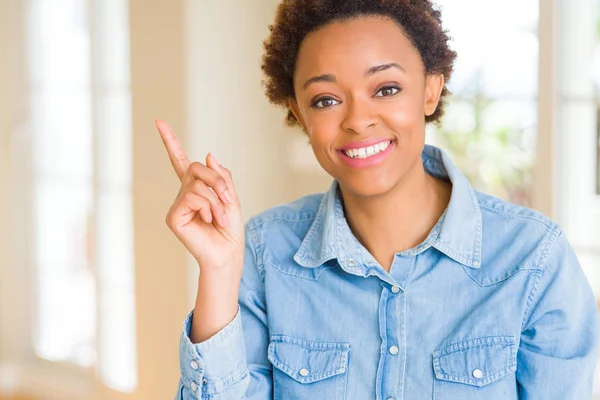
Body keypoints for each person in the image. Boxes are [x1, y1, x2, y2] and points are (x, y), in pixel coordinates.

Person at [157, 1, 600, 399]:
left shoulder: (534, 260)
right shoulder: (263, 252)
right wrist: (217, 271)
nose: (358, 120)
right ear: (297, 112)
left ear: (430, 88)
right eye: (326, 99)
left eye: (386, 88)